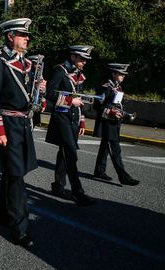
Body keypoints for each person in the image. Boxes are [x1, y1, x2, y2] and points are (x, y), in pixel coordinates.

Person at [0, 18, 45, 248]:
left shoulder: (27, 64)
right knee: (17, 177)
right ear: (11, 36)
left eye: (27, 35)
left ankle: (2, 214)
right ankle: (20, 228)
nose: (27, 38)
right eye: (23, 35)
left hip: (23, 123)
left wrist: (40, 90)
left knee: (13, 172)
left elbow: (30, 99)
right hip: (7, 124)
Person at [44, 45, 96, 206]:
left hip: (73, 117)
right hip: (61, 117)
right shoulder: (60, 70)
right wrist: (69, 101)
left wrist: (81, 120)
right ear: (73, 57)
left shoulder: (78, 74)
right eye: (82, 59)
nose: (84, 62)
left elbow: (78, 98)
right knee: (71, 154)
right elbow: (50, 92)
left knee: (64, 152)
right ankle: (78, 192)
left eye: (86, 60)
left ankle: (58, 186)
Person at [93, 63, 139, 186]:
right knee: (115, 150)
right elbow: (96, 106)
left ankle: (99, 171)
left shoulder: (117, 87)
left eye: (124, 74)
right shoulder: (106, 87)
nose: (123, 76)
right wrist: (110, 111)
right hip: (107, 122)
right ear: (113, 73)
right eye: (121, 73)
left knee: (104, 148)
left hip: (114, 122)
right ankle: (124, 177)